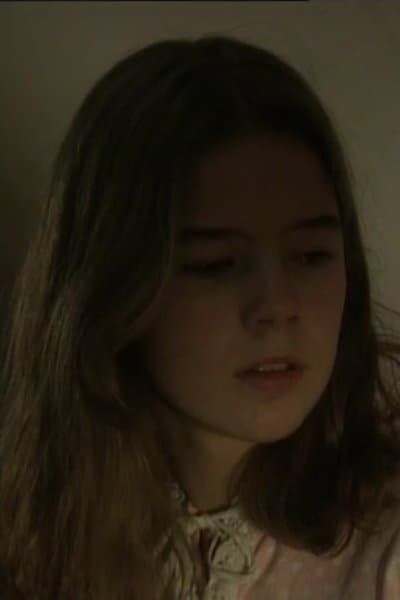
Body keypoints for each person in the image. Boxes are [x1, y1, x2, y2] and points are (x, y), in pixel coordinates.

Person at [0, 34, 399, 600]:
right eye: (217, 265)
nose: (277, 307)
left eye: (311, 256)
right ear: (115, 288)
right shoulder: (33, 542)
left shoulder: (382, 548)